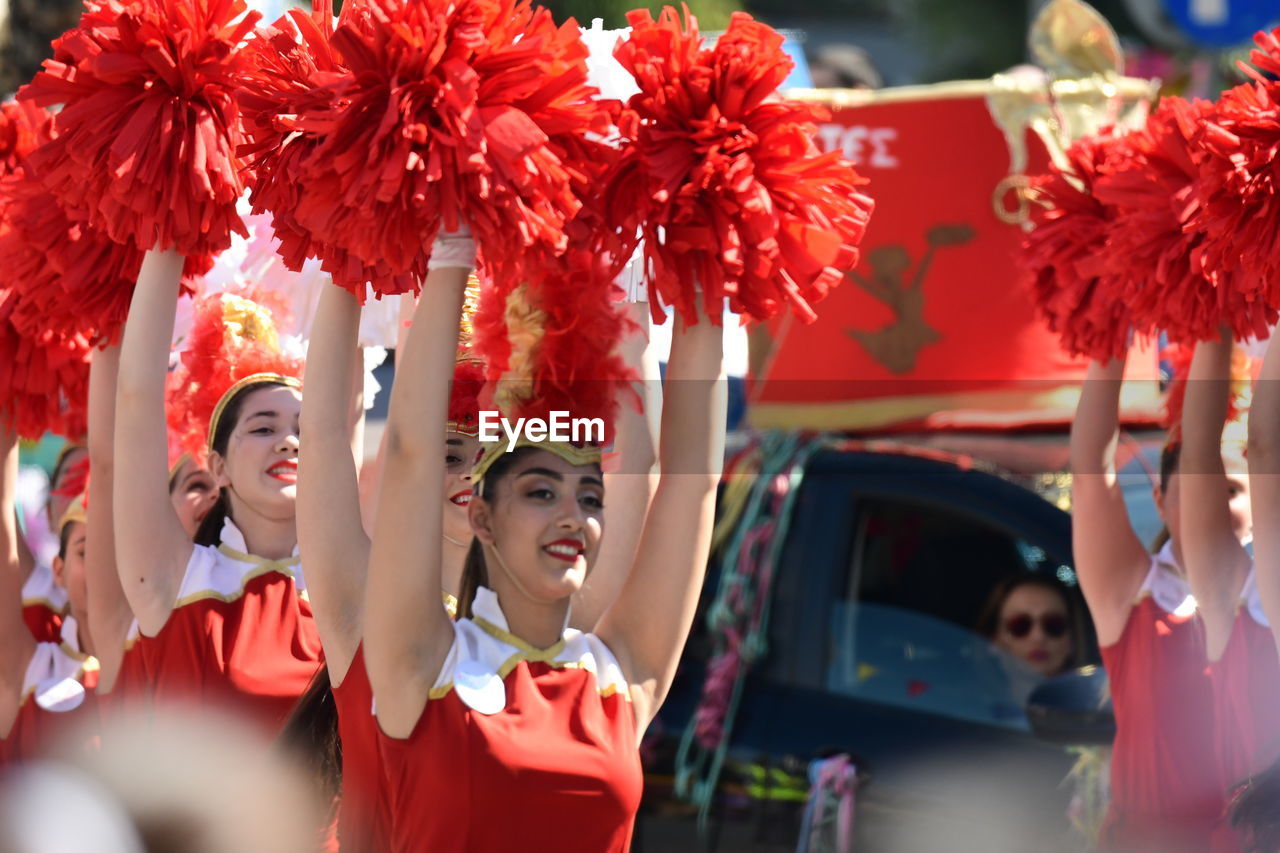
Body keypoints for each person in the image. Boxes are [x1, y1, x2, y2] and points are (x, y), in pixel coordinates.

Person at [362, 249, 725, 852]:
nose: (573, 516)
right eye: (540, 492)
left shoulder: (617, 675)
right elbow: (408, 450)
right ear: (482, 516)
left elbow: (691, 478)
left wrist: (704, 267)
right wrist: (452, 248)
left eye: (589, 496)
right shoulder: (426, 662)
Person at [112, 250, 321, 733]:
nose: (289, 441)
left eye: (303, 430)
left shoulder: (349, 583)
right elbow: (136, 397)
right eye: (263, 428)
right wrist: (171, 219)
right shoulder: (175, 578)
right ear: (218, 467)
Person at [1070, 354, 1226, 852]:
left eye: (1234, 491)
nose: (1218, 510)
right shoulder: (1135, 591)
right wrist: (1106, 330)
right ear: (1160, 500)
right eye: (1199, 492)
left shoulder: (1266, 597)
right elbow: (1092, 464)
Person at [1, 425, 99, 766]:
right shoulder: (30, 590)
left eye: (101, 476)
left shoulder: (167, 625)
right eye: (73, 479)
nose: (87, 491)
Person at [977, 574, 1081, 678]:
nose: (1038, 637)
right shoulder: (966, 693)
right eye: (1019, 625)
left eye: (1054, 625)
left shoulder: (1094, 693)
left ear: (1072, 639)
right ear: (993, 640)